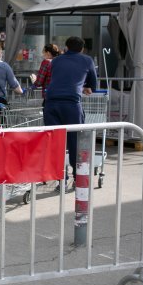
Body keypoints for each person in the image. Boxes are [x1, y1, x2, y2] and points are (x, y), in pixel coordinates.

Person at [44, 36, 98, 188]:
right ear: (82, 49)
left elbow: (58, 78)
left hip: (51, 103)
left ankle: (59, 179)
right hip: (71, 104)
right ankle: (77, 178)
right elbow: (92, 83)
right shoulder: (87, 60)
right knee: (75, 142)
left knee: (56, 142)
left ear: (66, 47)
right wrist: (87, 87)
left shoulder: (56, 61)